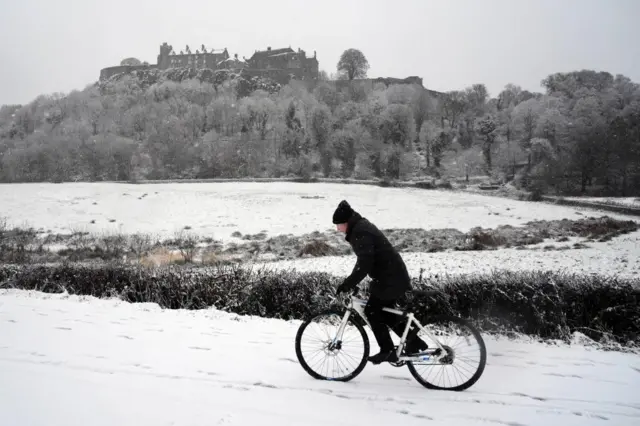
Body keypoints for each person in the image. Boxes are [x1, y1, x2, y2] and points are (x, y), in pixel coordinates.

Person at [332, 200, 428, 364]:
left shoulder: (360, 231)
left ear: (346, 222)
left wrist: (348, 284)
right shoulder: (360, 228)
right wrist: (351, 280)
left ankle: (387, 351)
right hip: (391, 276)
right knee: (387, 315)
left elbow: (365, 263)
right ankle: (415, 343)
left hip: (390, 278)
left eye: (338, 224)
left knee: (372, 311)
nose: (337, 229)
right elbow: (364, 260)